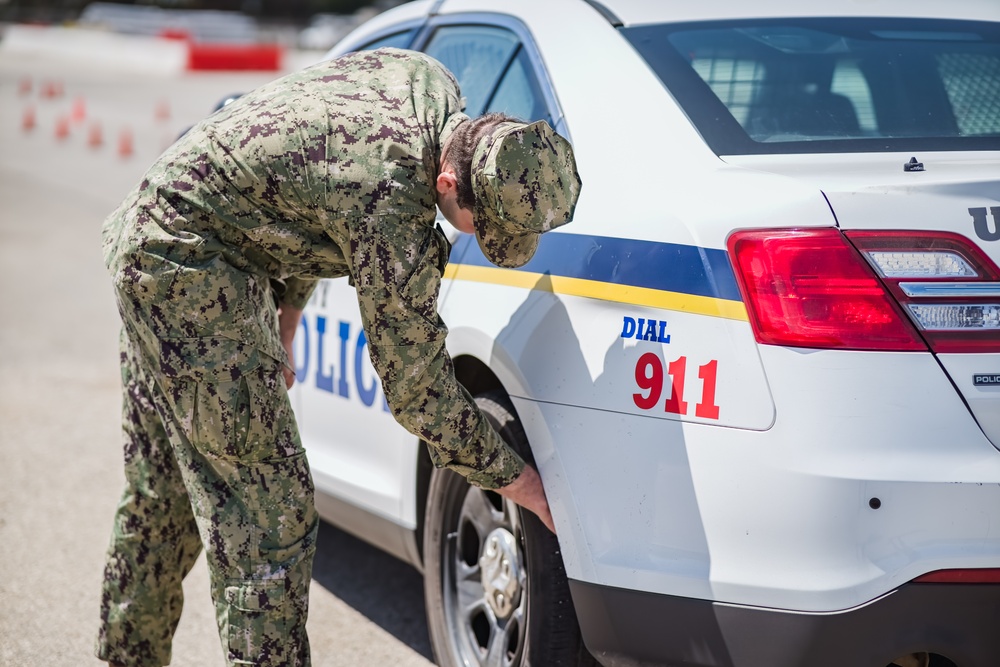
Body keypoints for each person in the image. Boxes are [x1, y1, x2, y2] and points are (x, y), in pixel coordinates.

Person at [95, 47, 581, 667]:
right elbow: (417, 389)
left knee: (162, 489)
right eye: (479, 228)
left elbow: (306, 160)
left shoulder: (430, 82)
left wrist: (287, 314)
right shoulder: (393, 205)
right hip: (186, 266)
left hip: (164, 234)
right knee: (269, 516)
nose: (483, 245)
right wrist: (524, 485)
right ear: (448, 184)